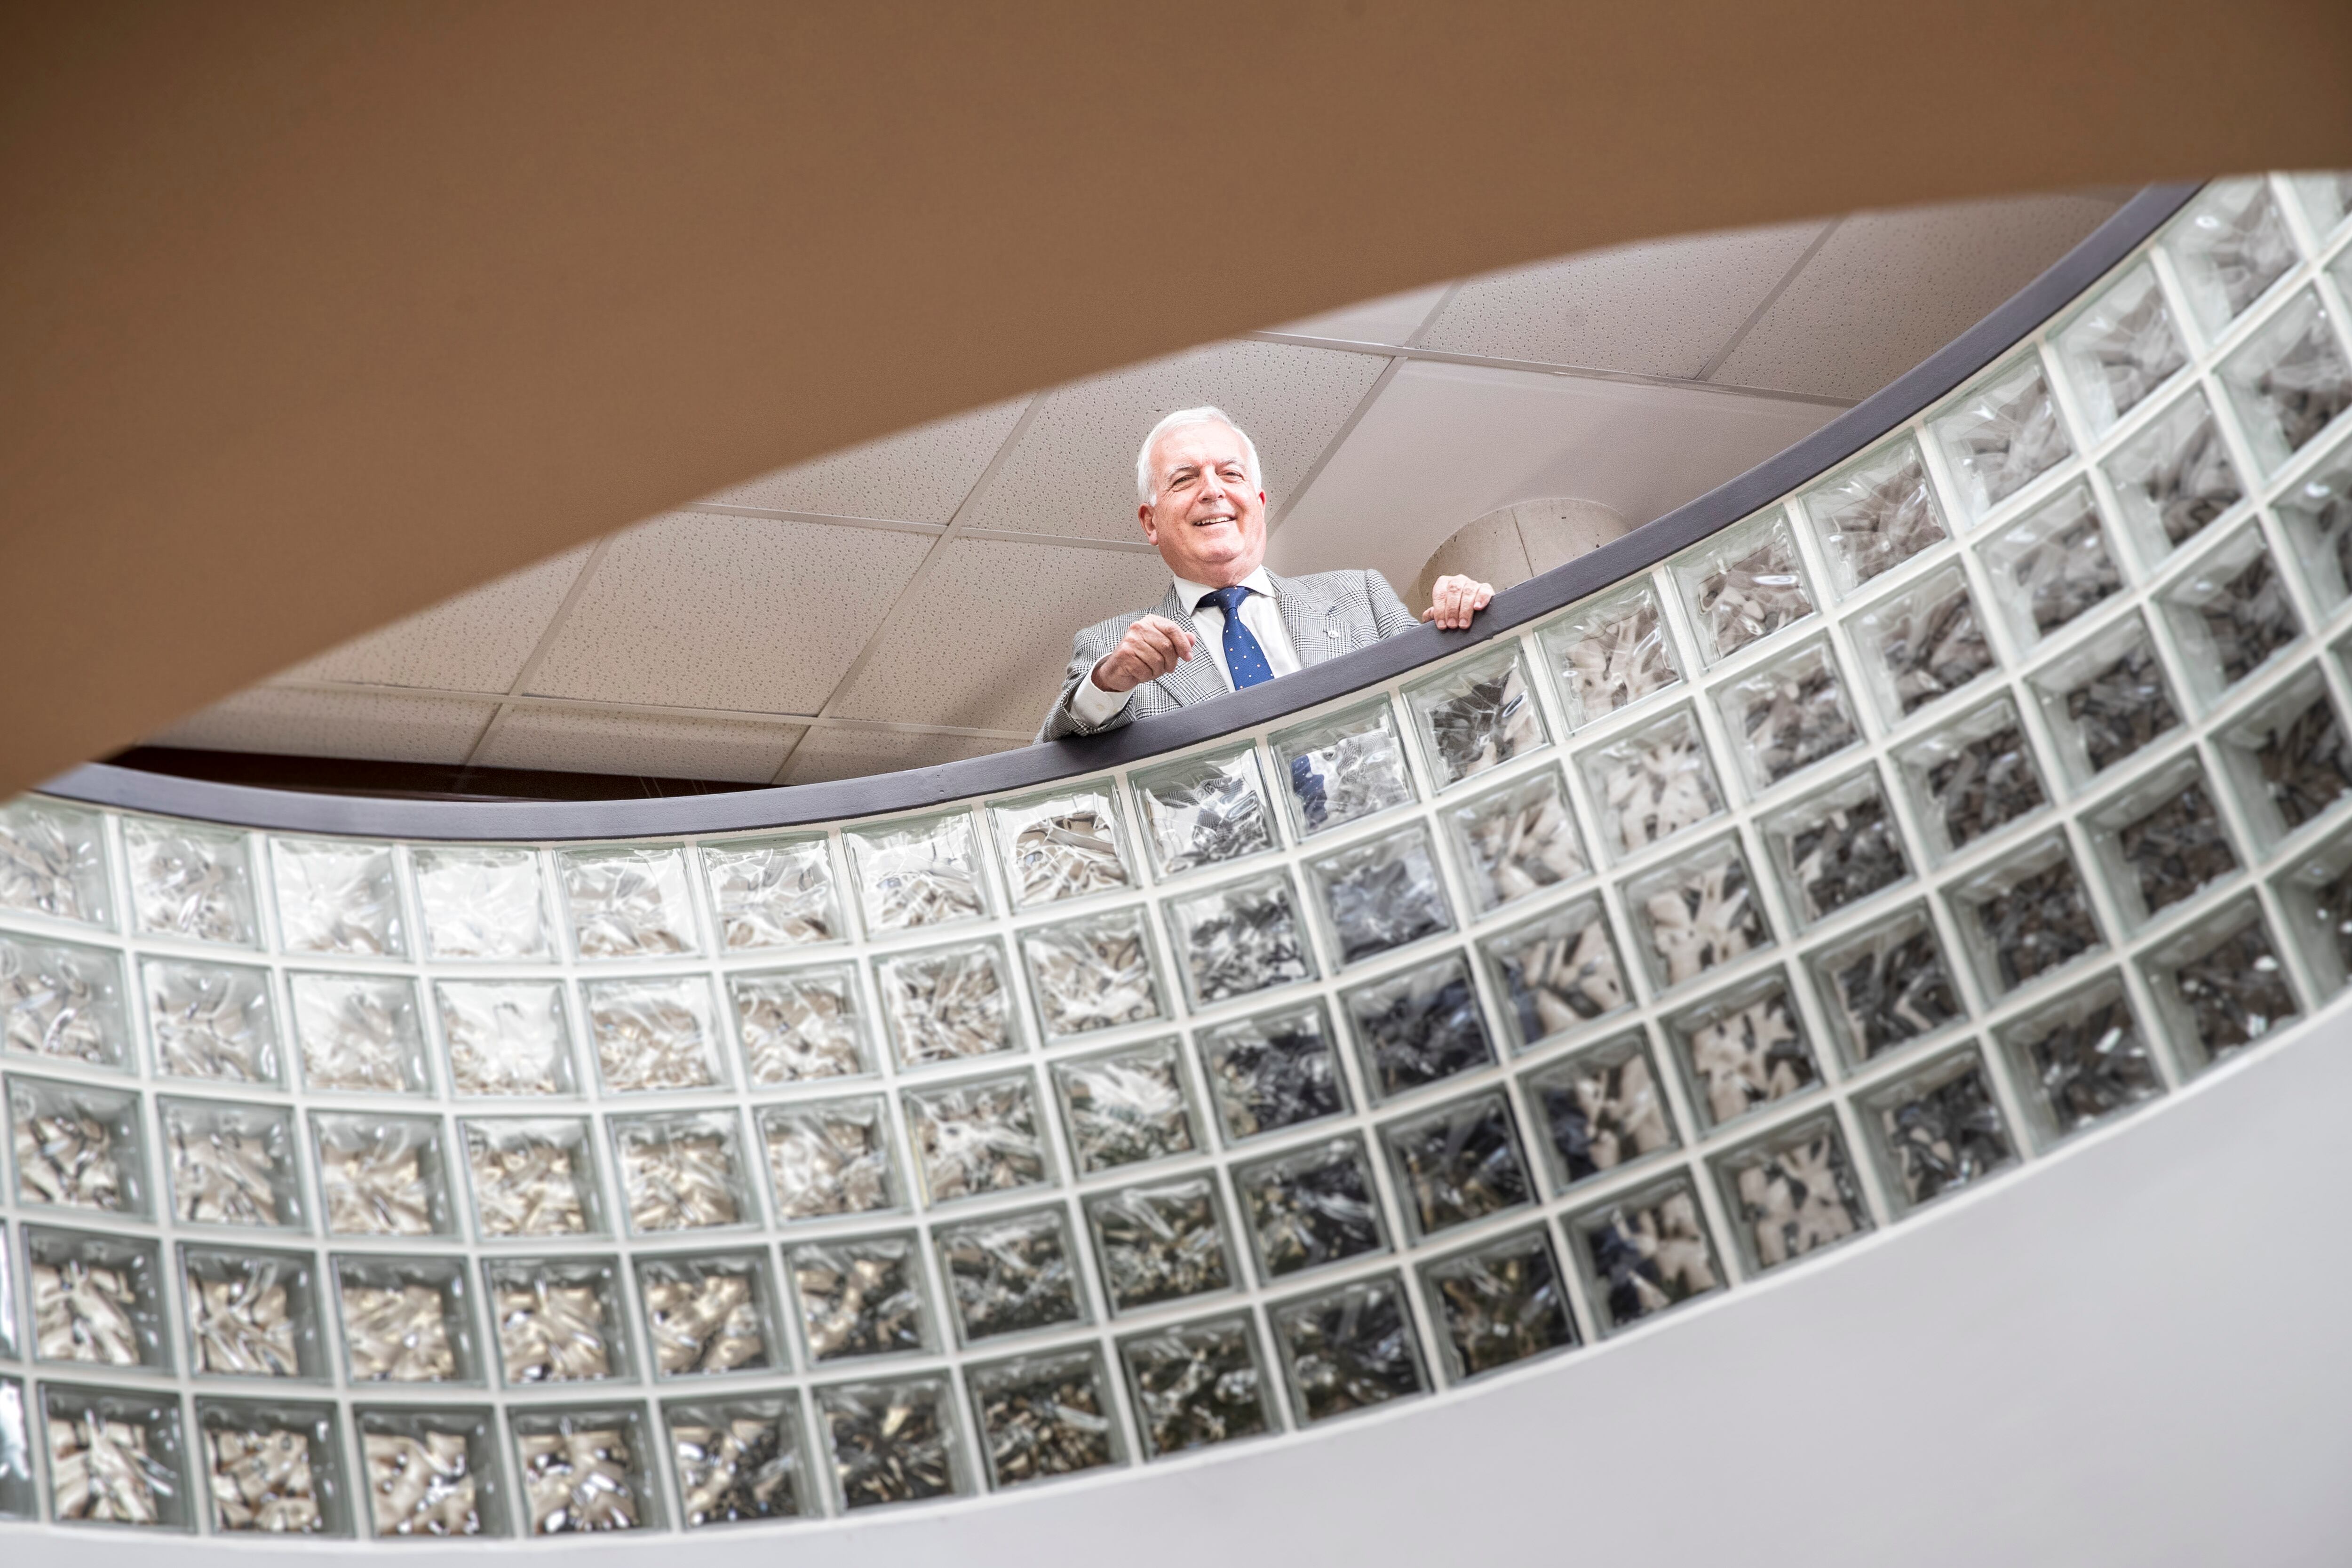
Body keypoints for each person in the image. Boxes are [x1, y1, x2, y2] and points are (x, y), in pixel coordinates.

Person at [1037, 406, 1494, 740]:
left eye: (1230, 475)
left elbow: (1454, 716)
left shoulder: (1360, 596)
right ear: (1150, 522)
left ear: (1258, 505)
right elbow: (1054, 773)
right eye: (1184, 479)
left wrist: (1465, 627)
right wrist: (1109, 682)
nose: (1212, 491)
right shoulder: (1109, 648)